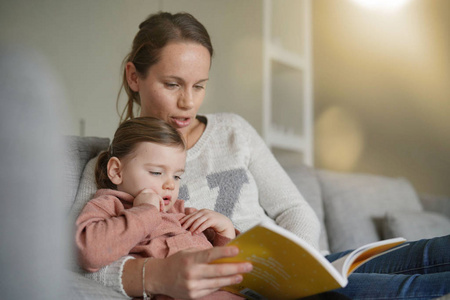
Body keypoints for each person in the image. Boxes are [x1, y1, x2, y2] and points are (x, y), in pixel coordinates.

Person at [71, 11, 450, 299]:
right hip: (245, 286)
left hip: (302, 270)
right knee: (412, 288)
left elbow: (294, 211)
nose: (187, 102)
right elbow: (81, 258)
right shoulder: (112, 167)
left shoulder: (233, 131)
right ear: (135, 77)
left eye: (199, 85)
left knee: (432, 252)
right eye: (172, 84)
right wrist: (158, 275)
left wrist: (296, 268)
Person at [75, 117, 243, 299]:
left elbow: (223, 267)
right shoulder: (109, 205)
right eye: (156, 172)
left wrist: (225, 233)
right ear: (116, 171)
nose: (170, 184)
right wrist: (146, 210)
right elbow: (89, 253)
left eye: (177, 176)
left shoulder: (181, 212)